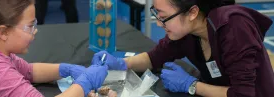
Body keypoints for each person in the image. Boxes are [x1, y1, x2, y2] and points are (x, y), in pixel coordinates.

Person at [91, 0, 274, 97]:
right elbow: (154, 58)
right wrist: (120, 63)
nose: (159, 23)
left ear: (192, 12)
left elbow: (243, 94)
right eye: (156, 13)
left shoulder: (233, 27)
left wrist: (192, 85)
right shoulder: (186, 31)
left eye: (163, 16)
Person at [0, 0, 107, 97]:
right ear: (3, 32)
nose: (35, 30)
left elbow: (29, 71)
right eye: (30, 26)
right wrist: (85, 83)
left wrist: (65, 69)